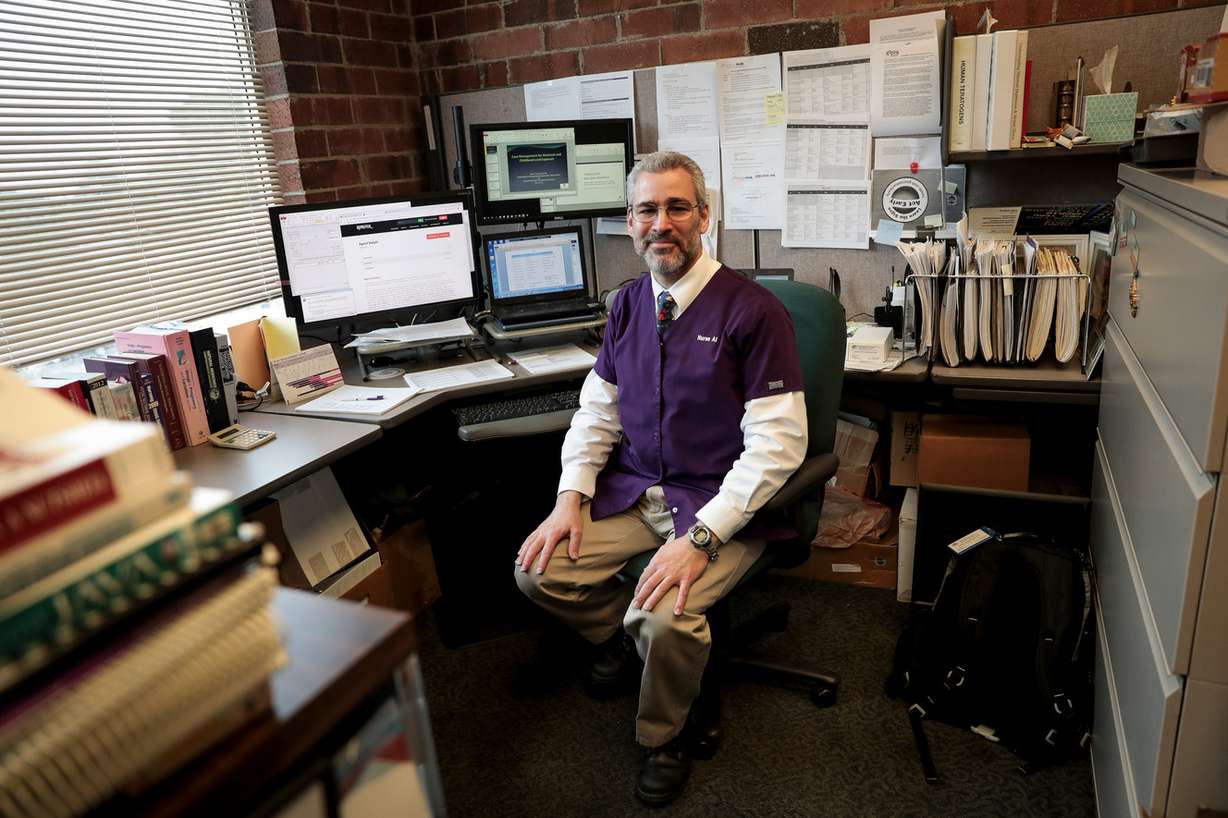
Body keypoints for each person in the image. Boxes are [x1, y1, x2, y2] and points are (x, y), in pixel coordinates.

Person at [514, 151, 808, 806]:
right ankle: (630, 639)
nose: (662, 223)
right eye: (648, 209)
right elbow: (597, 412)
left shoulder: (753, 313)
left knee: (667, 618)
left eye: (677, 207)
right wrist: (570, 499)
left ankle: (663, 732)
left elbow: (779, 448)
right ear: (630, 221)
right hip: (637, 490)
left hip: (719, 505)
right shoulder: (627, 305)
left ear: (705, 215)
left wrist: (701, 540)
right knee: (539, 571)